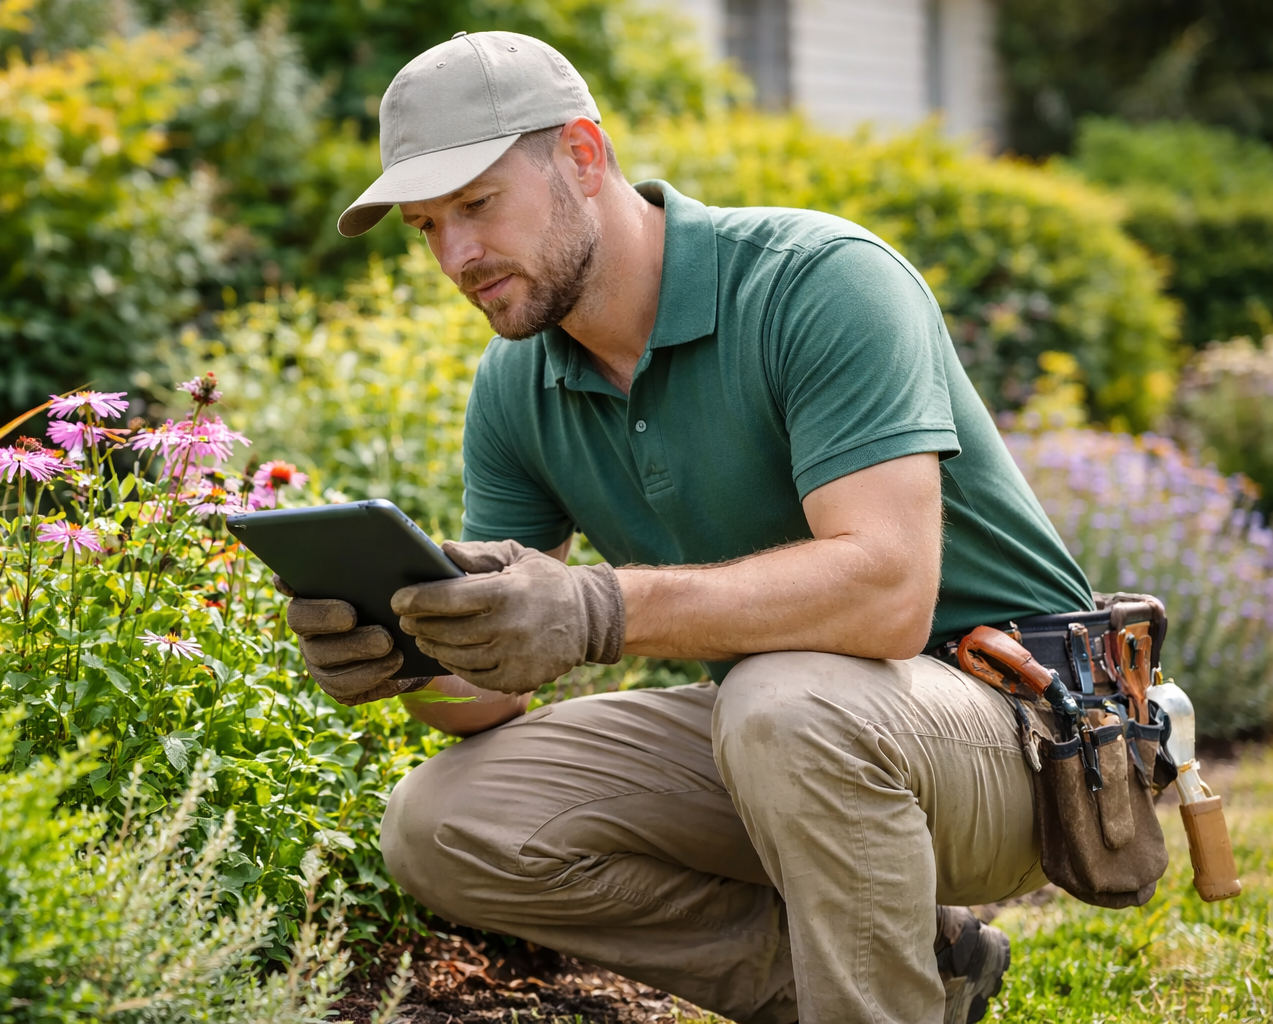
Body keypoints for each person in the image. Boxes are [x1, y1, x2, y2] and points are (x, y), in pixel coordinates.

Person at [282, 30, 1095, 1024]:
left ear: (583, 154)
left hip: (1024, 736)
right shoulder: (518, 384)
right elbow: (487, 701)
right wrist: (410, 652)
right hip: (795, 745)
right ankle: (915, 972)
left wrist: (600, 606)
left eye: (477, 204)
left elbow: (887, 593)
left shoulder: (817, 281)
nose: (456, 255)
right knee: (442, 820)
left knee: (783, 700)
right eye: (426, 226)